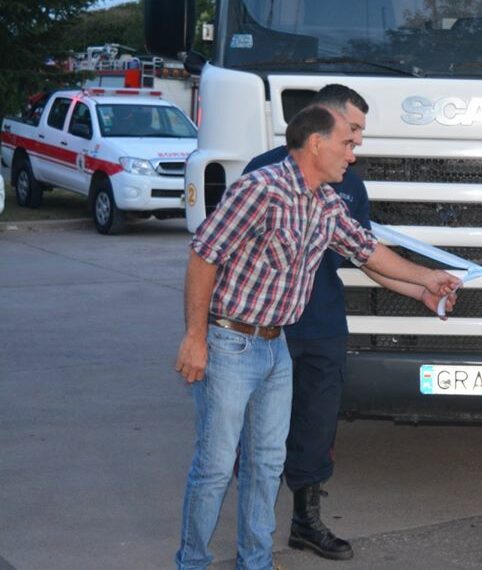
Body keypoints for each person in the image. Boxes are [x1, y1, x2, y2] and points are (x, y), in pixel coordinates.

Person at [173, 105, 459, 570]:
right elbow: (203, 255)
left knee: (267, 466)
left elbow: (369, 252)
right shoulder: (260, 188)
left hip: (276, 347)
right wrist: (195, 337)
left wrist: (425, 282)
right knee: (216, 466)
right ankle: (191, 562)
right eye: (347, 143)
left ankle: (256, 562)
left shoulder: (325, 202)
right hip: (231, 344)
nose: (353, 153)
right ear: (316, 144)